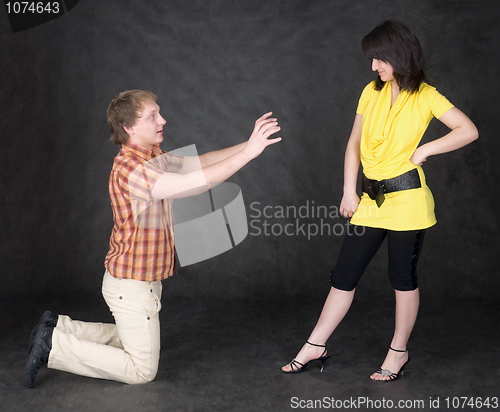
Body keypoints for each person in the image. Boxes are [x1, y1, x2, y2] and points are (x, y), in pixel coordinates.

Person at [26, 90, 281, 387]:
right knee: (141, 371)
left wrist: (248, 143)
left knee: (129, 339)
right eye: (152, 116)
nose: (163, 120)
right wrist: (250, 153)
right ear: (129, 128)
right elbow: (193, 185)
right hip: (131, 286)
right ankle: (54, 345)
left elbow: (199, 163)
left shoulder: (151, 157)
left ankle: (56, 326)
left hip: (137, 283)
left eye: (159, 113)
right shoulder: (130, 169)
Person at [282, 20, 478, 381]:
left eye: (378, 58)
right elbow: (354, 142)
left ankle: (398, 352)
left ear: (398, 54)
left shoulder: (426, 95)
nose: (373, 66)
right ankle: (316, 344)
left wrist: (425, 151)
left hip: (408, 199)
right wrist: (348, 189)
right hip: (371, 198)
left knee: (401, 277)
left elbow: (468, 130)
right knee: (344, 274)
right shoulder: (370, 92)